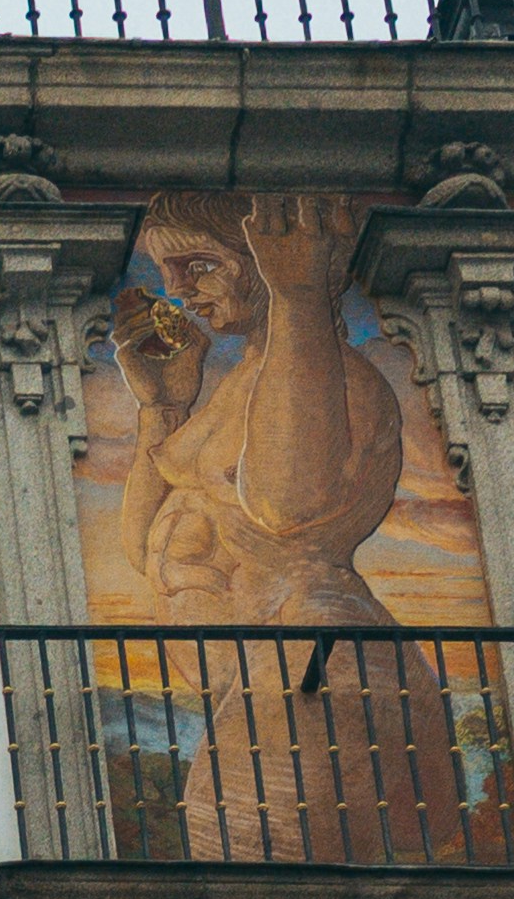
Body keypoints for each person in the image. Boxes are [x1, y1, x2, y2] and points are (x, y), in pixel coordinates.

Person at [110, 193, 482, 861]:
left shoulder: (331, 378)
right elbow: (147, 549)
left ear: (269, 261)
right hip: (257, 682)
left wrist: (301, 301)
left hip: (320, 674)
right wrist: (162, 403)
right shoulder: (244, 383)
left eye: (200, 265)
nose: (177, 290)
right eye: (168, 273)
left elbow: (288, 505)